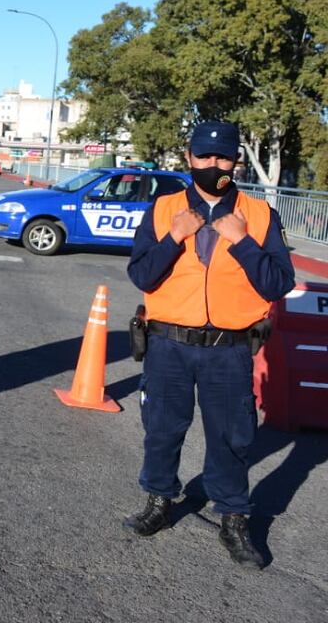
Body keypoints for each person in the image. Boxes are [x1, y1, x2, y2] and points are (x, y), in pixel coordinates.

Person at [124, 120, 294, 568]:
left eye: (222, 157)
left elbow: (278, 282)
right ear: (189, 158)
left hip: (230, 349)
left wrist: (241, 242)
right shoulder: (164, 210)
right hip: (168, 345)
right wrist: (174, 235)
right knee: (162, 428)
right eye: (204, 157)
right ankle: (159, 500)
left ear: (235, 160)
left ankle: (234, 516)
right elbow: (142, 275)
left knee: (233, 437)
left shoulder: (258, 216)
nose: (213, 165)